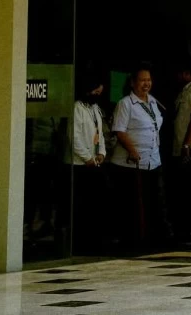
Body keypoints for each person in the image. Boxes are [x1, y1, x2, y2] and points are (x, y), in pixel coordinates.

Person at [111, 63, 172, 249]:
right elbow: (119, 131)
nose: (146, 84)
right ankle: (134, 240)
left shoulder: (153, 101)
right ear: (132, 83)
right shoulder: (126, 104)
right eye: (142, 80)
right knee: (134, 204)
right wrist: (132, 150)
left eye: (149, 80)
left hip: (153, 160)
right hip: (131, 163)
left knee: (155, 200)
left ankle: (154, 237)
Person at [71, 72, 108, 253]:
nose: (97, 94)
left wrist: (101, 153)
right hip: (80, 164)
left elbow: (99, 134)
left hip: (94, 162)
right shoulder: (77, 108)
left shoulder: (94, 109)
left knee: (94, 204)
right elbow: (74, 137)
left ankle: (95, 240)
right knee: (81, 205)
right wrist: (87, 158)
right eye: (95, 91)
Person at [170, 66, 191, 243]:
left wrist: (187, 144)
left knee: (188, 191)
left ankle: (190, 230)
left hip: (190, 148)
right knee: (181, 190)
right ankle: (182, 229)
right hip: (180, 145)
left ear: (186, 72)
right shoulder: (185, 89)